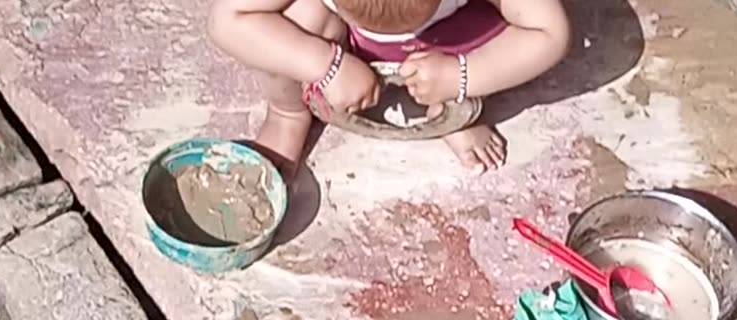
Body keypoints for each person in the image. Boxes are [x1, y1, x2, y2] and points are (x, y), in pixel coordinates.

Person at [208, 0, 571, 175]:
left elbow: (550, 34)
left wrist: (463, 76)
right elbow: (228, 20)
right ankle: (288, 115)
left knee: (506, 50)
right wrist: (323, 63)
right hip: (343, 36)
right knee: (296, 25)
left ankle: (451, 108)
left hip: (449, 37)